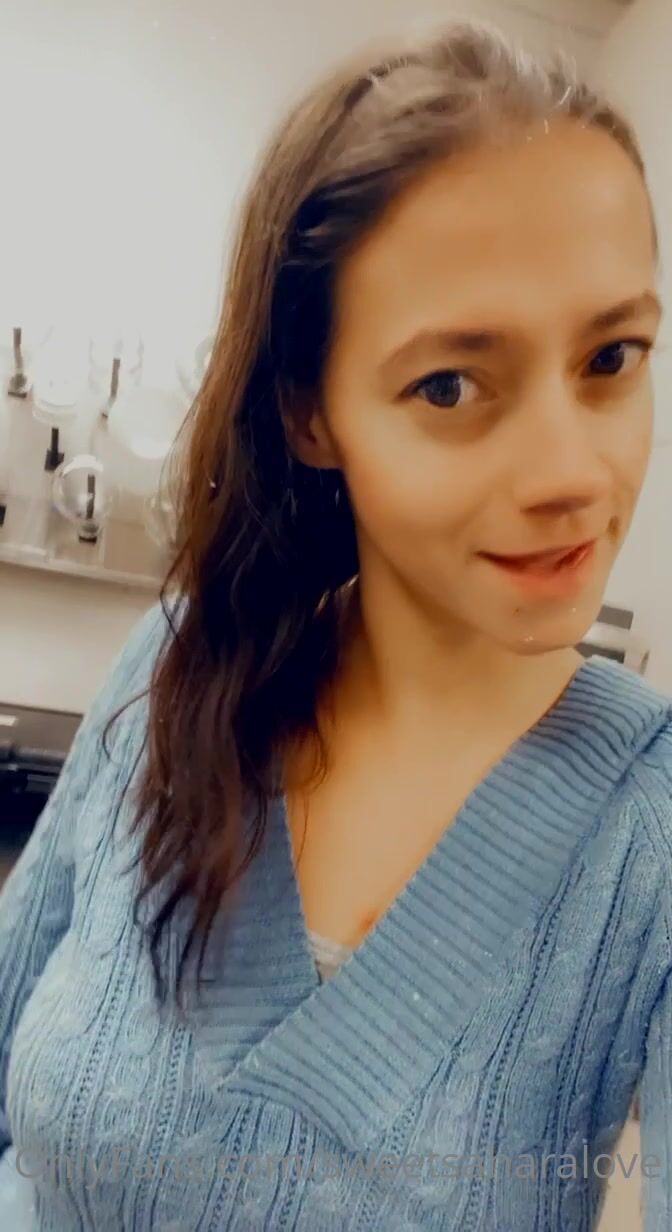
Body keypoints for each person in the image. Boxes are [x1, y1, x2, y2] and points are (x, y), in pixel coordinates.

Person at [0, 18, 669, 1231]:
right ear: (312, 414)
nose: (573, 473)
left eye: (612, 357)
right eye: (450, 385)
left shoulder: (649, 828)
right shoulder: (181, 664)